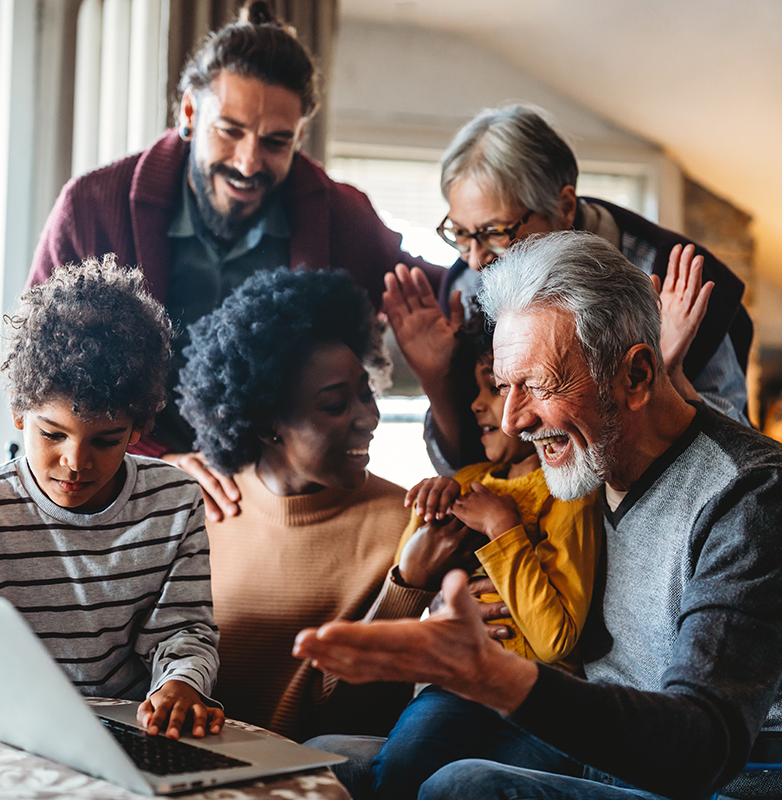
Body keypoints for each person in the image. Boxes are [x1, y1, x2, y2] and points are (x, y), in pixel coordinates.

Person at [295, 231, 782, 800]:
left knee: (462, 787)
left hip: (713, 782)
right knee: (317, 760)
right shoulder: (592, 455)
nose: (512, 422)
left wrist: (497, 677)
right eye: (505, 386)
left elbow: (703, 750)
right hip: (593, 749)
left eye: (538, 386)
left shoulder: (750, 495)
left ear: (636, 377)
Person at [28, 1, 442, 522]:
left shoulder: (339, 211)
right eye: (229, 130)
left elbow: (436, 291)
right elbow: (40, 379)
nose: (249, 162)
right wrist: (158, 467)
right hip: (124, 488)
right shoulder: (91, 206)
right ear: (189, 114)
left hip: (274, 502)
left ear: (299, 136)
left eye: (276, 142)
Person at [177, 268, 468, 743]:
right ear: (268, 423)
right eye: (335, 405)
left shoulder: (409, 524)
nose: (368, 417)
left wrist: (406, 588)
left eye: (366, 391)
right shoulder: (203, 505)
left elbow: (351, 731)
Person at [383, 104, 752, 474]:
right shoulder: (467, 283)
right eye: (461, 234)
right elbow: (478, 453)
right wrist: (440, 380)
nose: (476, 259)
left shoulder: (675, 277)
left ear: (564, 206)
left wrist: (668, 375)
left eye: (496, 232)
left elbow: (735, 449)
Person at [0, 257, 223, 741]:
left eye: (106, 441)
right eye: (53, 434)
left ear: (139, 429)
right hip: (7, 736)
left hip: (127, 732)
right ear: (19, 412)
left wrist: (180, 684)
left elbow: (184, 631)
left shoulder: (173, 501)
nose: (75, 462)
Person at [367, 312, 602, 800]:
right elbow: (419, 585)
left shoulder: (568, 491)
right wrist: (428, 510)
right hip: (459, 682)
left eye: (493, 387)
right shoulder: (468, 479)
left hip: (542, 694)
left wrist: (503, 527)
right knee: (404, 764)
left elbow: (555, 640)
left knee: (470, 787)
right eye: (479, 389)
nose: (477, 404)